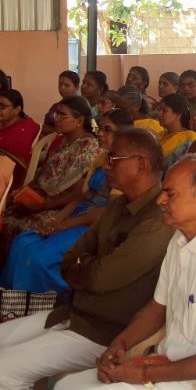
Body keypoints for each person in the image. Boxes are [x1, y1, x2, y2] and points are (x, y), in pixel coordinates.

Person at [56, 155, 196, 390]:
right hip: (176, 363)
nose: (160, 200)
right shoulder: (179, 239)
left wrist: (144, 373)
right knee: (68, 385)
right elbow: (157, 309)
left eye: (170, 193)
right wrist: (120, 345)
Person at [0, 128, 173, 388]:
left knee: (4, 370)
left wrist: (89, 266)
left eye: (113, 159)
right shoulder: (116, 207)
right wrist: (94, 264)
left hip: (105, 334)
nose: (105, 165)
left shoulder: (157, 220)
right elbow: (70, 260)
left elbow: (102, 278)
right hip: (72, 314)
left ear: (141, 165)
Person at [1, 110, 132, 294]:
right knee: (23, 241)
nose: (100, 133)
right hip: (79, 214)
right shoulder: (102, 158)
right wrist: (57, 221)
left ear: (124, 133)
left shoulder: (125, 165)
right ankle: (12, 301)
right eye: (100, 128)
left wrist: (67, 224)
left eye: (107, 129)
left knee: (38, 258)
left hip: (95, 224)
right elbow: (81, 196)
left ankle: (45, 303)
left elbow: (109, 211)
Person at [3, 97, 101, 236]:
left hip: (62, 208)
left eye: (63, 115)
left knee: (14, 225)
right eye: (57, 114)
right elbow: (44, 175)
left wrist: (40, 206)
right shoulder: (64, 140)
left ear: (79, 121)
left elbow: (78, 194)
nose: (56, 118)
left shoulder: (89, 148)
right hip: (39, 199)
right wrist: (22, 192)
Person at [0, 89, 40, 196]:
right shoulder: (6, 122)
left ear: (17, 110)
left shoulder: (21, 132)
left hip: (9, 175)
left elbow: (15, 162)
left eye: (2, 107)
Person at [156, 93, 196, 169]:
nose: (159, 114)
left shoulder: (190, 138)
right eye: (159, 110)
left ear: (178, 115)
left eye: (164, 111)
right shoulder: (160, 135)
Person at [42, 70, 80, 136]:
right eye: (60, 84)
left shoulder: (82, 107)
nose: (62, 88)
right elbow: (44, 127)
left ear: (76, 87)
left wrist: (57, 131)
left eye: (66, 85)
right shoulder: (55, 106)